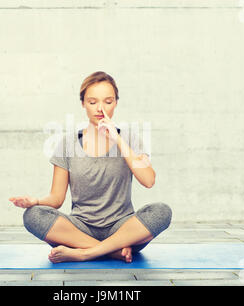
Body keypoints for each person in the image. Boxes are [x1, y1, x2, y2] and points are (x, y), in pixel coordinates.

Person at [9, 71, 172, 263]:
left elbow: (148, 180)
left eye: (108, 102)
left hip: (122, 229)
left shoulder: (129, 139)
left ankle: (86, 253)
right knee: (33, 216)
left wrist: (117, 138)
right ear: (83, 104)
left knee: (162, 211)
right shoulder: (67, 143)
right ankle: (111, 251)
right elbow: (56, 198)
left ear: (116, 103)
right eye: (93, 102)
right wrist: (35, 201)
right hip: (80, 228)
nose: (100, 109)